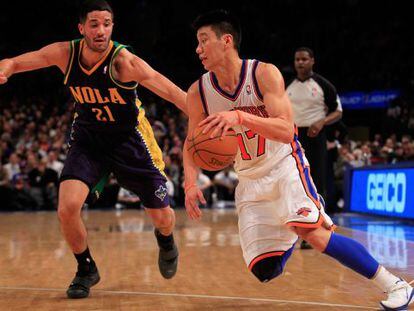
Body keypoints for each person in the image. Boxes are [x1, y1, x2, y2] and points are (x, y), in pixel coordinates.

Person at [182, 10, 413, 311]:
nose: (198, 49)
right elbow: (192, 143)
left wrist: (240, 116)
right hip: (249, 178)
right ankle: (293, 225)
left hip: (284, 164)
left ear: (226, 41)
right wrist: (189, 183)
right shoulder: (198, 92)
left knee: (314, 235)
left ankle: (395, 285)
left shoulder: (263, 74)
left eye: (204, 41)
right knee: (264, 270)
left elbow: (287, 129)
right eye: (197, 43)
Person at [0, 0, 185, 299]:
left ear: (113, 26)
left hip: (129, 141)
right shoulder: (65, 53)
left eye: (107, 24)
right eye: (95, 24)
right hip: (89, 140)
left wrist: (205, 115)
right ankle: (86, 269)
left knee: (163, 218)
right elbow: (18, 61)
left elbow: (171, 91)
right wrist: (5, 68)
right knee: (67, 208)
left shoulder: (124, 62)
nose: (101, 31)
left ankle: (165, 241)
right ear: (81, 28)